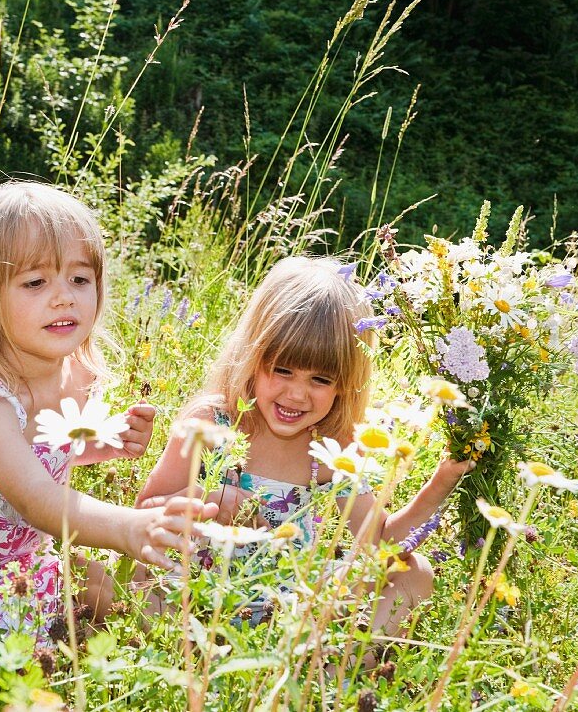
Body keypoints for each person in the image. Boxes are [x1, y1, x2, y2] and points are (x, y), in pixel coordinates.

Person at [0, 181, 215, 640]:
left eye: (80, 279)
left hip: (23, 562)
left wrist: (107, 443)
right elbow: (36, 499)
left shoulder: (74, 375)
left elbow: (46, 451)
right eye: (36, 282)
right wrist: (128, 527)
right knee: (8, 652)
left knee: (139, 596)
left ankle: (194, 662)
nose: (64, 297)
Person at [136, 255, 470, 635]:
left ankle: (327, 674)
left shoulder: (333, 445)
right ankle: (186, 660)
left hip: (292, 609)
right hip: (201, 595)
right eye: (282, 370)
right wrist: (217, 499)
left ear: (345, 384)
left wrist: (441, 482)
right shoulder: (212, 422)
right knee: (151, 572)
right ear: (253, 354)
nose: (296, 395)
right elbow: (144, 512)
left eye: (321, 380)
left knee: (414, 573)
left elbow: (377, 543)